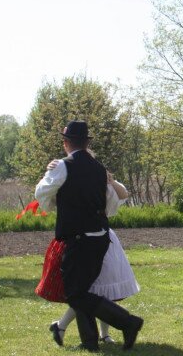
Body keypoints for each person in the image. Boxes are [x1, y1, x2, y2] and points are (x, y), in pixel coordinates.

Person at [34, 120, 143, 351]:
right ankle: (90, 342)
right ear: (86, 142)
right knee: (83, 290)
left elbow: (42, 192)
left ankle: (128, 322)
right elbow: (112, 202)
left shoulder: (63, 166)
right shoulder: (100, 169)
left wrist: (49, 173)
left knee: (75, 293)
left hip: (79, 238)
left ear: (66, 143)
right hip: (100, 238)